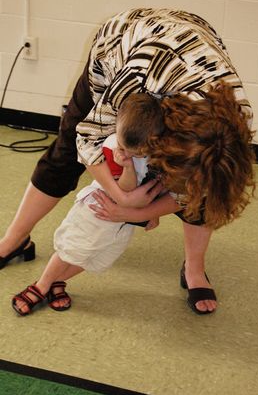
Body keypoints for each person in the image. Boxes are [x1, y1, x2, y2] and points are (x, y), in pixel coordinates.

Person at [1, 8, 255, 315]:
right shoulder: (138, 77)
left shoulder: (233, 122)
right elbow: (87, 138)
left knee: (206, 186)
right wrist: (122, 195)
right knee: (64, 154)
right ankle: (14, 240)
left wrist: (138, 209)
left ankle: (194, 268)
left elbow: (196, 190)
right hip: (124, 46)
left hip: (191, 47)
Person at [12, 108, 169, 315]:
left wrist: (152, 213)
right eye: (126, 148)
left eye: (137, 152)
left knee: (96, 256)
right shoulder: (114, 147)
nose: (128, 154)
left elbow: (156, 182)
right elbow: (126, 188)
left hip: (125, 220)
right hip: (98, 209)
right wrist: (128, 166)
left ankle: (57, 281)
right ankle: (42, 285)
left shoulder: (153, 150)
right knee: (72, 249)